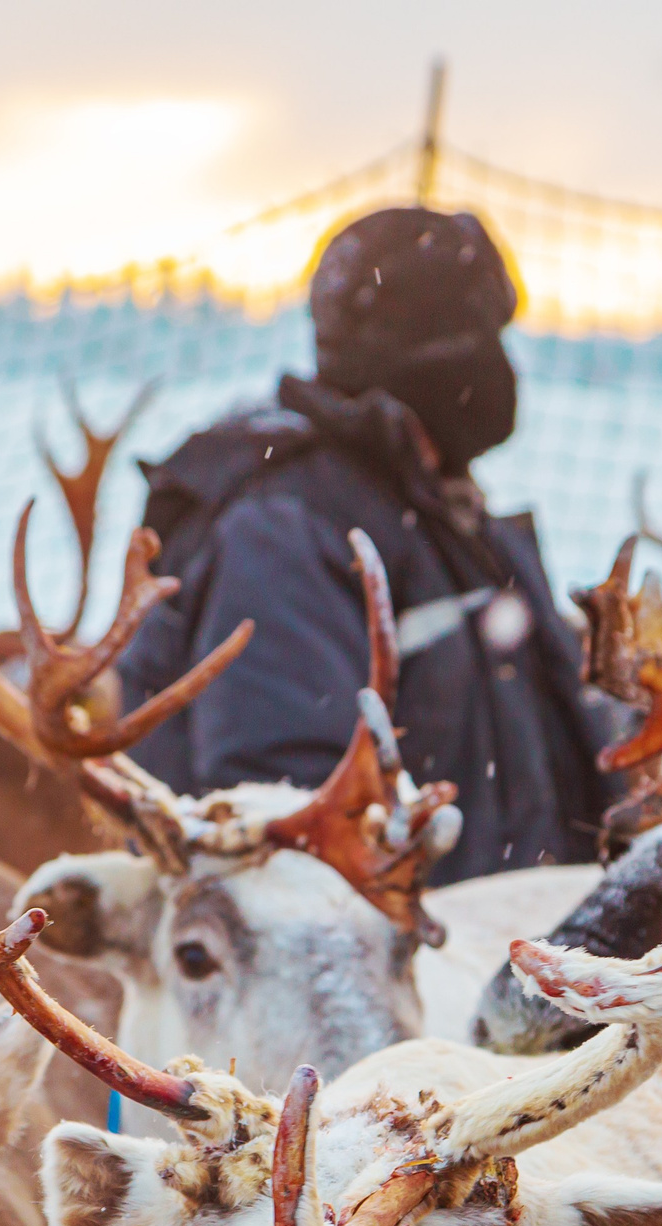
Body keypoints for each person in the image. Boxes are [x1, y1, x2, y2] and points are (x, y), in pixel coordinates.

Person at [113, 206, 612, 884]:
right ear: (437, 357)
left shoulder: (448, 518)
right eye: (487, 340)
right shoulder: (287, 532)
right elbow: (287, 824)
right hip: (418, 942)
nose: (504, 369)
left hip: (512, 931)